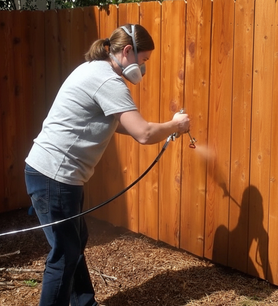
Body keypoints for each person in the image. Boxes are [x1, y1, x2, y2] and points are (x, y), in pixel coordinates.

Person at [24, 24, 190, 306]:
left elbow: (119, 123)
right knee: (64, 255)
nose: (144, 67)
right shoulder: (108, 81)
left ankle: (83, 302)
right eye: (144, 59)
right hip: (55, 176)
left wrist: (164, 128)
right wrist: (175, 124)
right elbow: (143, 134)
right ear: (128, 51)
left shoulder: (92, 70)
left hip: (51, 174)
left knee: (74, 244)